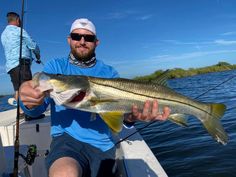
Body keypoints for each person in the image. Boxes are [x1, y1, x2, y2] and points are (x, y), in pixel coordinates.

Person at [19, 18, 170, 177]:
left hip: (104, 145)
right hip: (66, 142)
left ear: (96, 42)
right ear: (69, 40)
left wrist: (133, 118)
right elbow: (35, 112)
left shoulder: (109, 72)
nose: (82, 41)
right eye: (76, 36)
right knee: (64, 173)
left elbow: (122, 118)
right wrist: (29, 103)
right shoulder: (55, 67)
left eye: (89, 38)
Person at [1, 12, 43, 120]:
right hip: (22, 64)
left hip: (11, 67)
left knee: (17, 89)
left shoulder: (3, 35)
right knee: (27, 88)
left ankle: (20, 112)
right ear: (18, 20)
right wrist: (38, 55)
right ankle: (29, 114)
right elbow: (32, 45)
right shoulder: (19, 31)